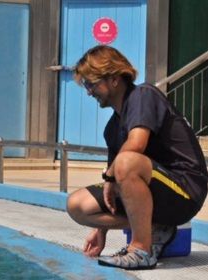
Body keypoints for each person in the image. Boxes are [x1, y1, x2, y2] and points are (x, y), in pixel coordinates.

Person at [66, 45, 208, 270]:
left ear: (113, 79)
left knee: (126, 162)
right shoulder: (112, 128)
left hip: (185, 190)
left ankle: (141, 250)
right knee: (77, 205)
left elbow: (136, 145)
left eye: (91, 84)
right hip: (153, 190)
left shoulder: (143, 95)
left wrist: (110, 177)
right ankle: (157, 226)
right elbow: (113, 183)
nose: (88, 92)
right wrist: (100, 230)